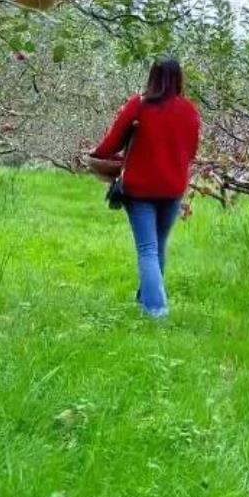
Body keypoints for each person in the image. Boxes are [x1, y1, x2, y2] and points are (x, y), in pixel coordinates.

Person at [89, 57, 201, 318]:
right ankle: (146, 298)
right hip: (173, 188)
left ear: (153, 76)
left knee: (147, 250)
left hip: (140, 189)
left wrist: (94, 155)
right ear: (179, 78)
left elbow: (113, 141)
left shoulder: (139, 105)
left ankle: (156, 310)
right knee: (158, 246)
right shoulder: (190, 111)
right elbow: (192, 151)